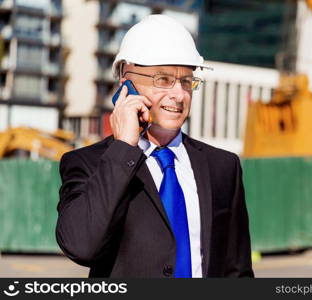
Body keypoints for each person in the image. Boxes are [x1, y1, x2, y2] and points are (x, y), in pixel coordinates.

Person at [56, 14, 254, 278]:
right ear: (127, 81)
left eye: (186, 81)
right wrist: (124, 148)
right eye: (163, 80)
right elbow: (82, 246)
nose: (179, 94)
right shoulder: (88, 163)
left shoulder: (222, 166)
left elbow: (237, 270)